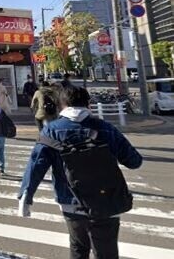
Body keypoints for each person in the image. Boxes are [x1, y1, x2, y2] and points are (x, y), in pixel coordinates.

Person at [18, 86, 143, 259]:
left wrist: (26, 195)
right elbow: (134, 161)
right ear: (89, 104)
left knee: (78, 247)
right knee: (107, 251)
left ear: (62, 104)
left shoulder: (51, 130)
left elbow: (36, 163)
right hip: (107, 199)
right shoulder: (106, 128)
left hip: (70, 200)